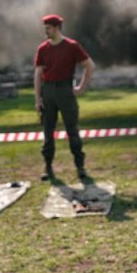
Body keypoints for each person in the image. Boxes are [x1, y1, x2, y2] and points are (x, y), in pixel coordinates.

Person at [33, 14, 95, 181]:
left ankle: (80, 167)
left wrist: (81, 87)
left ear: (57, 28)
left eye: (48, 28)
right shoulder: (43, 49)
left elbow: (89, 65)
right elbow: (38, 74)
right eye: (45, 28)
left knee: (72, 131)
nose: (46, 31)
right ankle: (48, 167)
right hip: (48, 91)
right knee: (48, 133)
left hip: (65, 91)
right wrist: (38, 99)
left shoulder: (71, 46)